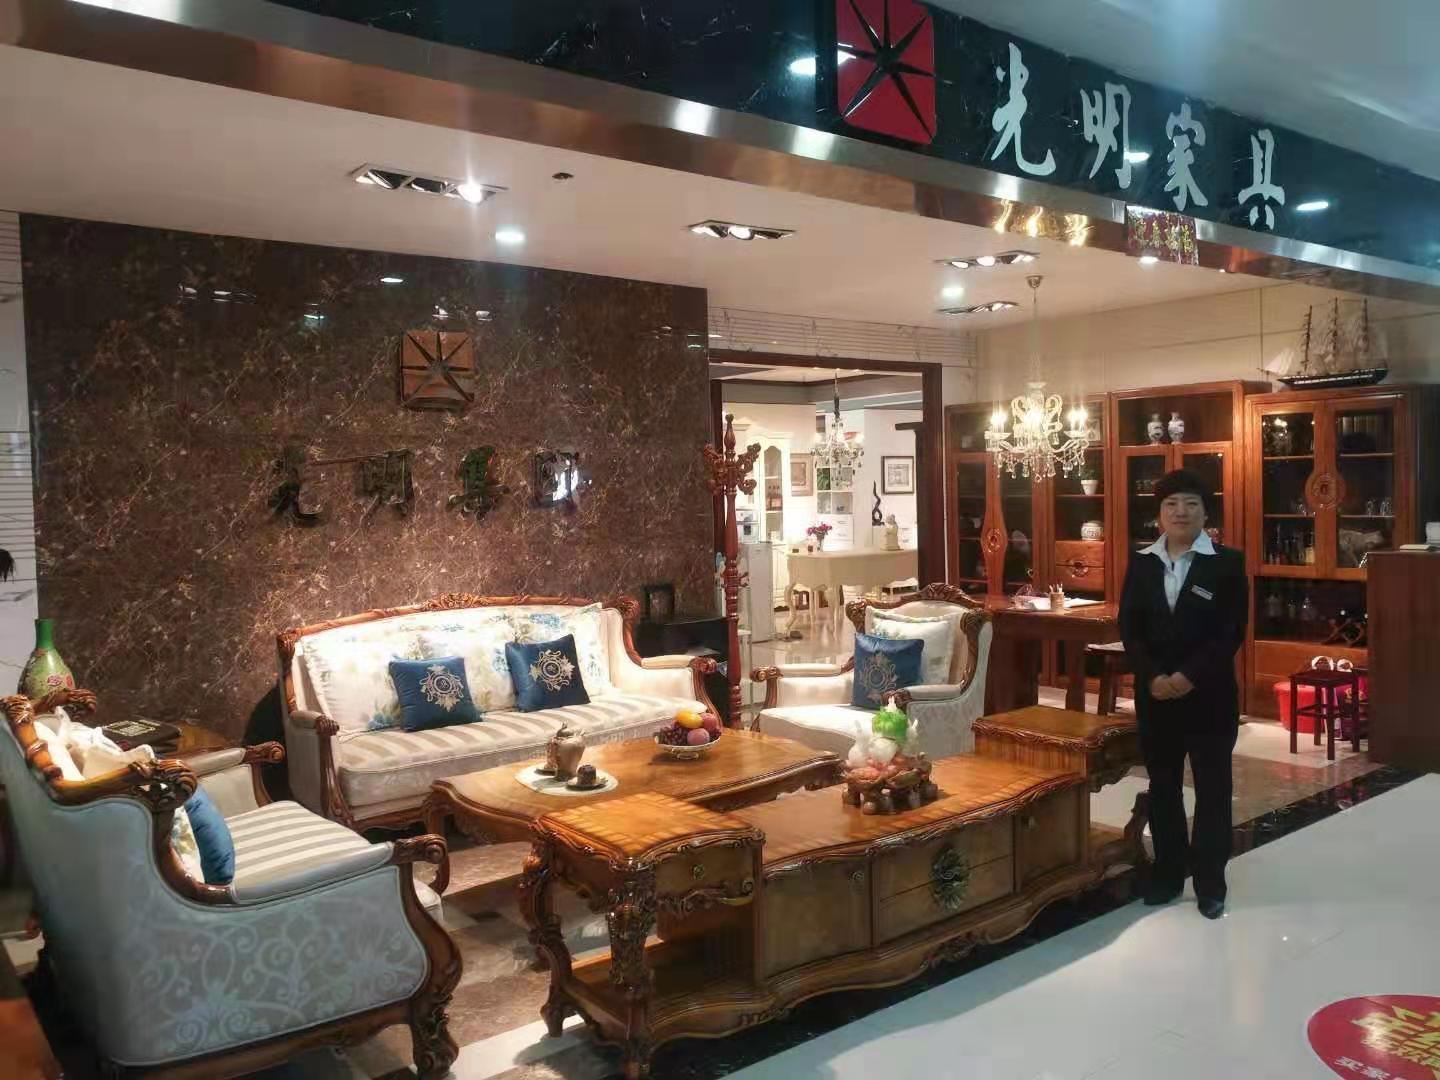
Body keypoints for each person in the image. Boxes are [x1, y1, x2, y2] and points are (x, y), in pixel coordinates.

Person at [1119, 468, 1247, 919]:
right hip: (1155, 697)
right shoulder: (1142, 562)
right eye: (1171, 504)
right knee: (1164, 786)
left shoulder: (1227, 563)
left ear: (1205, 513)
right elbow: (1130, 628)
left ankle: (1210, 882)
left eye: (1191, 504)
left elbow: (1230, 631)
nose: (1181, 512)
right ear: (1159, 513)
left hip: (1210, 695)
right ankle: (1169, 873)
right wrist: (1153, 676)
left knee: (1213, 788)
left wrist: (1189, 676)